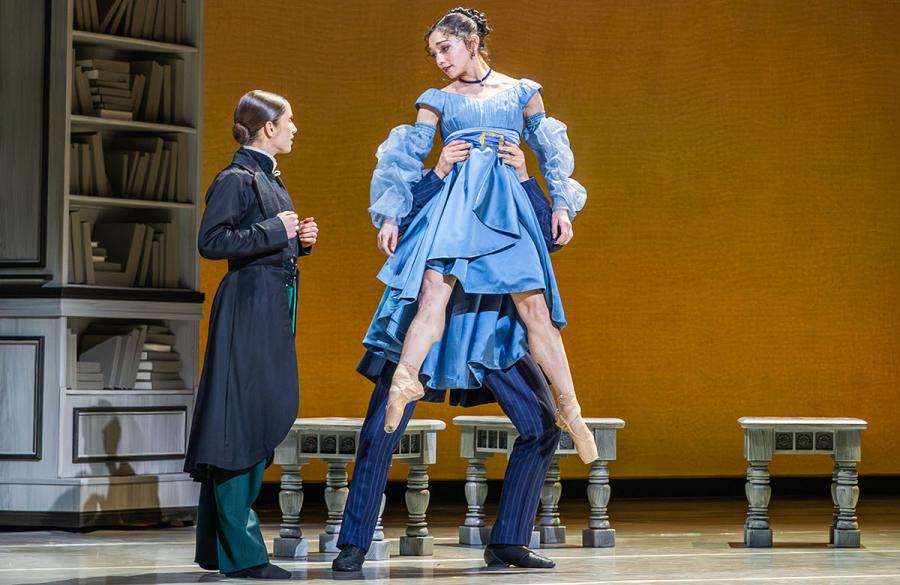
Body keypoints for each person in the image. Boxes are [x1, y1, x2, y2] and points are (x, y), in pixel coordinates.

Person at [362, 6, 599, 464]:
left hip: (506, 205)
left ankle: (571, 408)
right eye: (434, 53)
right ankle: (405, 380)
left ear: (471, 43)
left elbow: (552, 152)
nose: (440, 60)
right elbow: (404, 158)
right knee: (433, 292)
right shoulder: (437, 99)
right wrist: (391, 216)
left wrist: (561, 205)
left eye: (445, 48)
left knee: (535, 308)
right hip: (456, 204)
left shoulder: (522, 92)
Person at [333, 126, 561, 572]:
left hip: (488, 323)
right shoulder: (443, 182)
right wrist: (437, 171)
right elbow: (400, 228)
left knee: (542, 424)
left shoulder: (509, 189)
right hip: (426, 322)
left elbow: (548, 239)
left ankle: (509, 540)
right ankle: (354, 543)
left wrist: (525, 176)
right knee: (382, 429)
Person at [184, 90, 317, 580]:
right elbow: (212, 241)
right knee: (239, 421)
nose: (295, 128)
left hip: (269, 306)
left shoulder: (269, 177)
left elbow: (264, 238)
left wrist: (298, 241)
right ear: (268, 128)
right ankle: (243, 554)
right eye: (290, 120)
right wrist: (276, 232)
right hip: (247, 309)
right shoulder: (236, 178)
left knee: (253, 412)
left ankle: (218, 550)